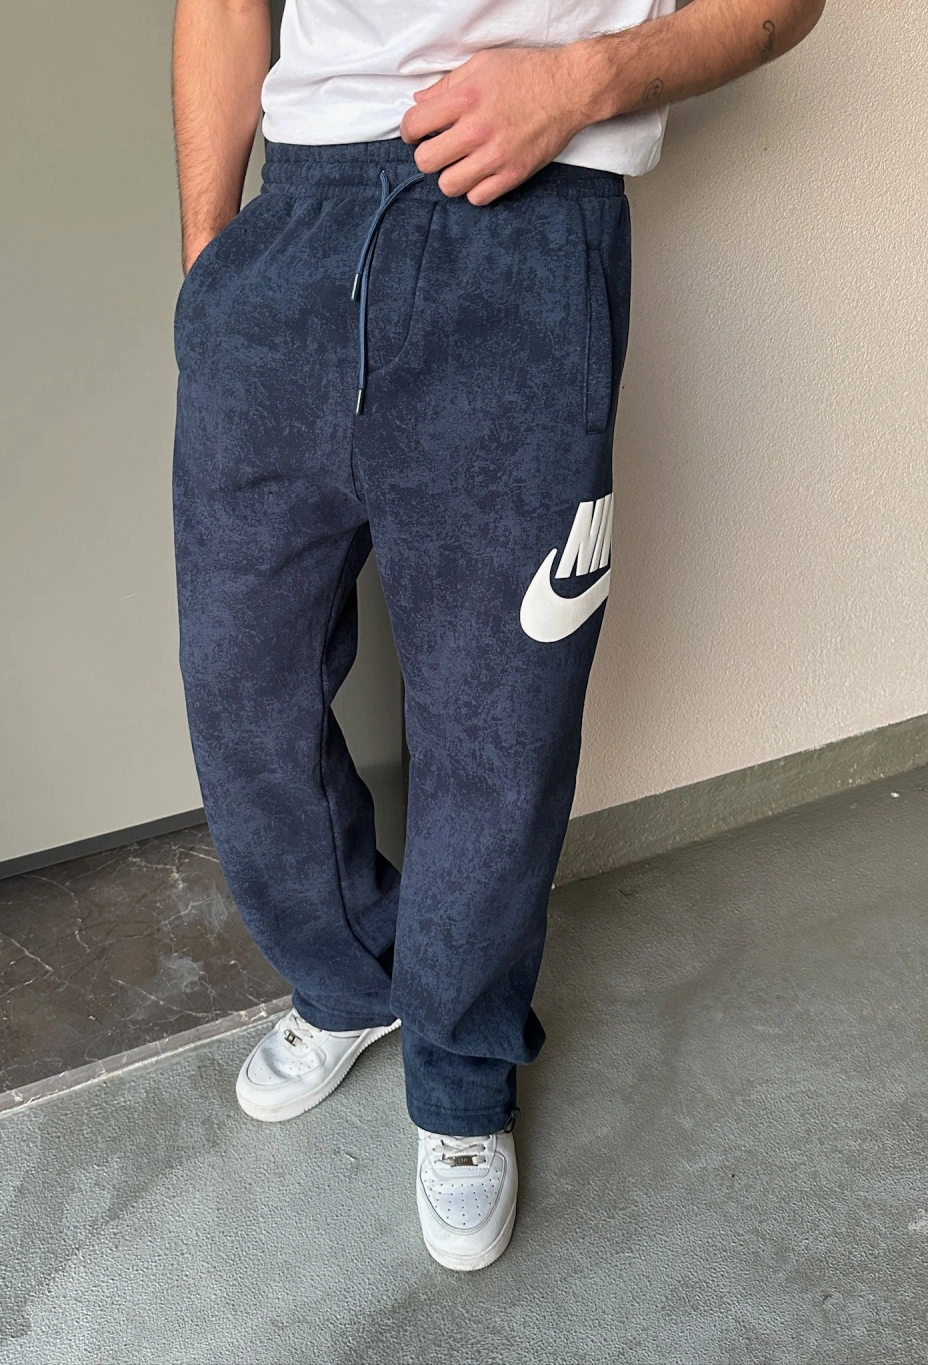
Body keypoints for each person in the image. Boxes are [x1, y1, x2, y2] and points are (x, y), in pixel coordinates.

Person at [171, 0, 825, 1271]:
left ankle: (461, 1069)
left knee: (497, 723)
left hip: (527, 227)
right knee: (241, 688)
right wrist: (208, 255)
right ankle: (349, 977)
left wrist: (583, 83)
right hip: (289, 232)